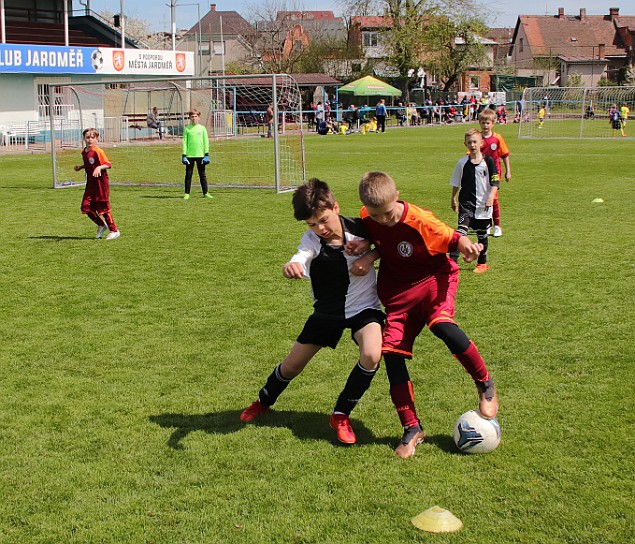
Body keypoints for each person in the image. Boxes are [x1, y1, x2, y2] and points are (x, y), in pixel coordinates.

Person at [351, 171, 499, 459]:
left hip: (434, 280)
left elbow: (452, 238)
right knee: (391, 353)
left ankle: (485, 383)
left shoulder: (420, 220)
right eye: (375, 215)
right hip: (398, 295)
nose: (382, 220)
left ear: (397, 196)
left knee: (442, 325)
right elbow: (379, 239)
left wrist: (467, 246)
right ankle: (411, 427)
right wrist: (367, 250)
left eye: (387, 213)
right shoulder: (368, 217)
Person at [240, 179, 385, 445]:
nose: (320, 229)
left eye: (324, 220)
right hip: (327, 312)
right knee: (292, 365)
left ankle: (341, 414)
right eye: (311, 224)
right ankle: (263, 401)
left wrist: (369, 255)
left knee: (372, 353)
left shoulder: (362, 228)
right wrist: (291, 265)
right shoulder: (312, 240)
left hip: (364, 307)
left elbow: (389, 242)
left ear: (335, 207)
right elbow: (302, 255)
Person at [450, 129, 499, 273]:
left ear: (481, 143)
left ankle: (482, 263)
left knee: (482, 234)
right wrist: (453, 198)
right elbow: (456, 182)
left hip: (483, 205)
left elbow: (495, 182)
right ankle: (452, 263)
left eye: (475, 142)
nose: (472, 145)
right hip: (466, 204)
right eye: (469, 142)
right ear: (465, 143)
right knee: (460, 233)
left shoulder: (488, 161)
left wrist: (491, 197)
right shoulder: (462, 163)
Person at [74, 128, 120, 240]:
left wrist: (99, 167)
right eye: (87, 137)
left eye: (92, 138)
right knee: (85, 206)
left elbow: (108, 164)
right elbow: (90, 163)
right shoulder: (84, 151)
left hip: (101, 183)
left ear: (96, 138)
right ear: (84, 138)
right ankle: (101, 225)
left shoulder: (98, 151)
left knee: (103, 207)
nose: (90, 140)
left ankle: (114, 230)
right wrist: (81, 167)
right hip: (90, 184)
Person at [478, 108, 511, 237]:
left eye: (488, 123)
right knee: (483, 198)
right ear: (479, 123)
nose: (485, 125)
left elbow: (505, 155)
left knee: (494, 198)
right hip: (480, 173)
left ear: (493, 123)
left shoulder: (497, 138)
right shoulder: (477, 138)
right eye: (483, 123)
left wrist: (508, 171)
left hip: (495, 172)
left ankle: (497, 225)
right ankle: (487, 224)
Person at [181, 109, 212, 200]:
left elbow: (206, 141)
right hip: (189, 156)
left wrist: (206, 154)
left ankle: (206, 193)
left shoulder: (202, 129)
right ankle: (187, 193)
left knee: (202, 175)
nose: (194, 118)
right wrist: (184, 155)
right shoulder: (187, 129)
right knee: (188, 175)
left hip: (201, 155)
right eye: (192, 116)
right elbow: (184, 142)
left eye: (195, 116)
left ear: (199, 117)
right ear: (190, 118)